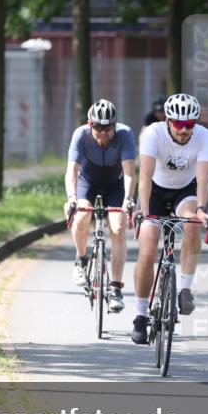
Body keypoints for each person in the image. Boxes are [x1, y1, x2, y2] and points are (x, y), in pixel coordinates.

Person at [131, 93, 208, 344]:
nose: (184, 129)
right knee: (148, 249)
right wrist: (144, 211)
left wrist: (201, 209)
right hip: (155, 191)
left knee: (193, 224)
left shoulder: (204, 137)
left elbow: (203, 180)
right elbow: (144, 177)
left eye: (189, 124)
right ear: (168, 121)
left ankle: (185, 288)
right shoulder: (152, 133)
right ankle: (140, 315)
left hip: (185, 191)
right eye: (178, 123)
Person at [64, 99, 136, 312]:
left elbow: (130, 174)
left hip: (115, 185)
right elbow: (71, 172)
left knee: (118, 227)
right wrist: (72, 198)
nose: (103, 133)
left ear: (115, 124)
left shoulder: (125, 134)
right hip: (88, 183)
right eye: (98, 127)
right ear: (90, 124)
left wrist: (128, 199)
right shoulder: (80, 135)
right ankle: (81, 258)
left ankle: (116, 289)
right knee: (81, 217)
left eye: (108, 128)